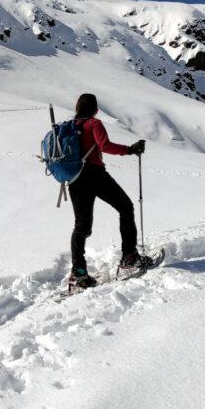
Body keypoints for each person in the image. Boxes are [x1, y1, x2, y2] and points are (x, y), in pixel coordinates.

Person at [67, 92, 156, 291]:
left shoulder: (71, 126)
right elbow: (104, 146)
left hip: (74, 179)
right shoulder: (93, 124)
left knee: (81, 226)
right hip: (94, 174)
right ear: (95, 109)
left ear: (77, 107)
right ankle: (129, 257)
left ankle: (78, 274)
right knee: (125, 207)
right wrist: (131, 150)